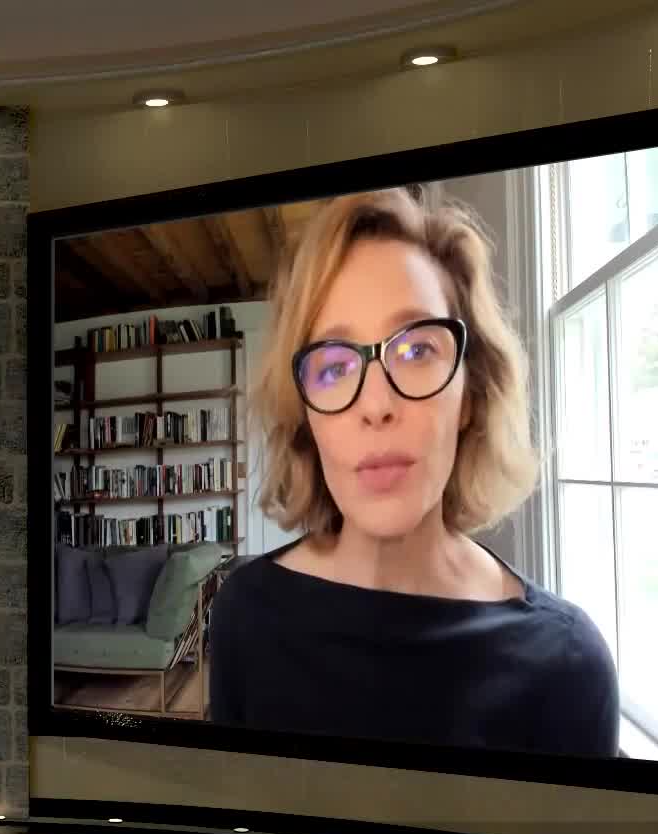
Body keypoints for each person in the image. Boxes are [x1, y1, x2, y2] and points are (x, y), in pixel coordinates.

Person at [208, 187, 620, 757]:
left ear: (470, 395)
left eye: (417, 351)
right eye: (333, 366)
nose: (375, 404)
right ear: (304, 413)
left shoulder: (567, 663)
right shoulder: (246, 615)